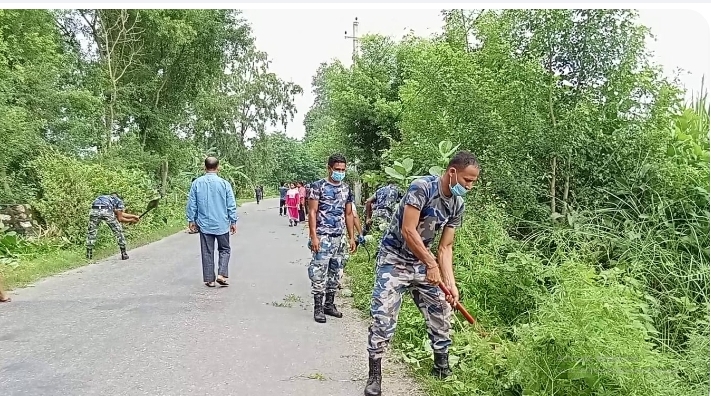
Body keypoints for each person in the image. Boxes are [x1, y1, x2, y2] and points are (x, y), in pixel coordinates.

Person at [363, 151, 480, 396]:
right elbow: (408, 230)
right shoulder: (422, 187)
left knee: (442, 307)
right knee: (383, 316)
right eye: (467, 180)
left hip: (422, 262)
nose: (469, 186)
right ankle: (375, 375)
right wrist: (431, 264)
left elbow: (446, 247)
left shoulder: (457, 204)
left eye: (473, 182)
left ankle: (441, 366)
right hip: (394, 258)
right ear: (452, 172)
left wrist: (451, 283)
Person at [308, 153, 357, 323]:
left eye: (343, 169)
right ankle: (318, 308)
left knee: (335, 272)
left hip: (339, 237)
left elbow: (349, 213)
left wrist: (351, 237)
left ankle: (329, 304)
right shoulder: (318, 186)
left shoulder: (346, 188)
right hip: (323, 236)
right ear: (329, 168)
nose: (340, 172)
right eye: (337, 169)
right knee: (319, 272)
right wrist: (314, 236)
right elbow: (312, 212)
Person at [186, 156, 238, 288]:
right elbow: (231, 204)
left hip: (204, 224)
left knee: (207, 251)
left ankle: (210, 279)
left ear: (204, 167)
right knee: (225, 249)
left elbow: (192, 204)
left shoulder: (197, 183)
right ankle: (221, 274)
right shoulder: (224, 184)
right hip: (222, 224)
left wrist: (191, 219)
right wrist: (233, 221)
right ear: (218, 167)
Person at [86, 192, 140, 260]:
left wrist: (134, 217)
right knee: (118, 231)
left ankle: (89, 255)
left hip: (94, 210)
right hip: (106, 211)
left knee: (91, 232)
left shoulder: (103, 198)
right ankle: (124, 253)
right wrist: (131, 220)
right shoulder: (118, 200)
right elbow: (120, 218)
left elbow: (120, 214)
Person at [337, 200, 363, 288]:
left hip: (322, 235)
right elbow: (354, 216)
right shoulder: (346, 199)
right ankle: (337, 279)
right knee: (342, 257)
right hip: (340, 235)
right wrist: (360, 233)